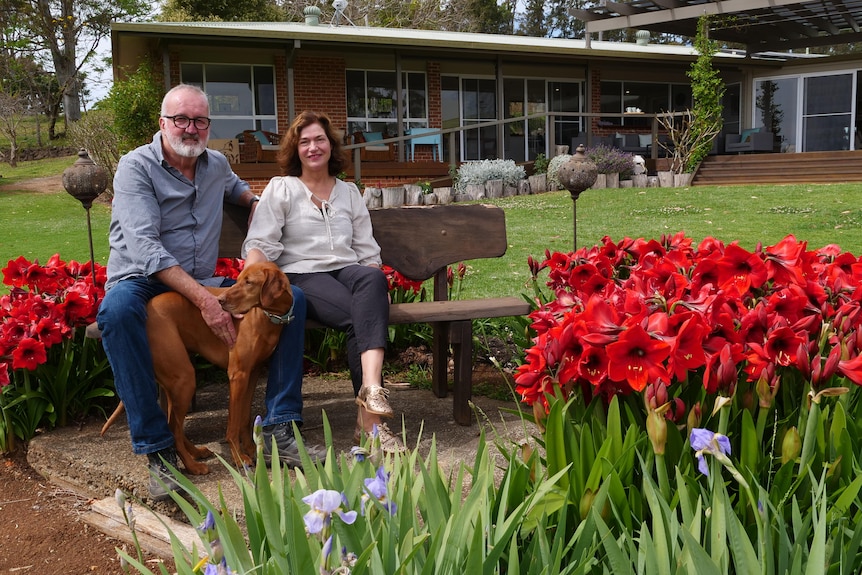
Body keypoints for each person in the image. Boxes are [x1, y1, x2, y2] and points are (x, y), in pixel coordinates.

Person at [96, 84, 325, 501]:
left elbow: (238, 190)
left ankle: (279, 424)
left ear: (208, 126)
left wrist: (259, 206)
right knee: (116, 314)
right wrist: (206, 301)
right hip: (139, 277)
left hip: (201, 279)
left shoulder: (214, 163)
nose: (190, 128)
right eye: (181, 119)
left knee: (296, 299)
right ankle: (158, 450)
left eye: (199, 120)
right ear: (163, 123)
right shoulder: (135, 167)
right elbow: (146, 248)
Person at [242, 110, 405, 453]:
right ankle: (372, 427)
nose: (313, 147)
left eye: (319, 140)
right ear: (295, 150)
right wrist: (249, 286)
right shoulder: (282, 188)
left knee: (372, 278)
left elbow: (366, 249)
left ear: (331, 146)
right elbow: (262, 242)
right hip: (303, 274)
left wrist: (374, 278)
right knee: (360, 316)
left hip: (345, 272)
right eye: (305, 142)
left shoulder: (348, 192)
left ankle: (371, 389)